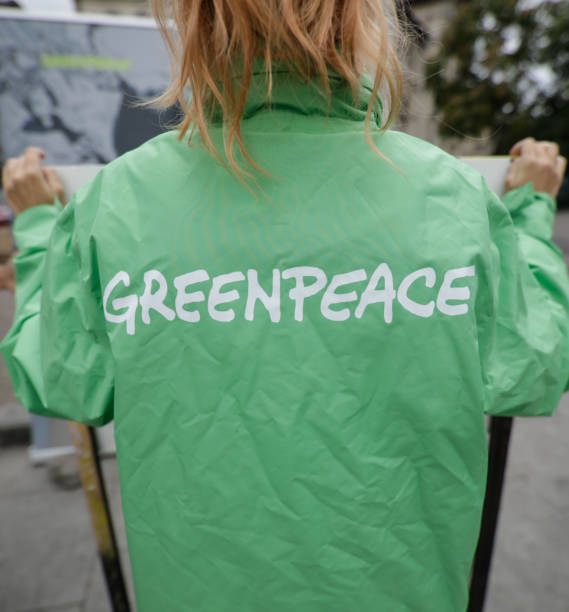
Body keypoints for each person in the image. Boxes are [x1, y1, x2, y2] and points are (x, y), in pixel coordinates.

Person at [1, 1, 568, 610]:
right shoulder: (448, 194)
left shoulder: (119, 200)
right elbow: (533, 367)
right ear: (364, 26)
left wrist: (37, 230)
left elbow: (63, 378)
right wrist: (531, 213)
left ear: (196, 27)